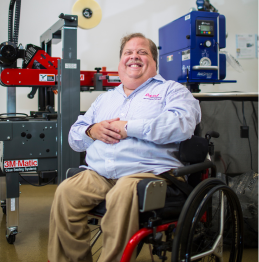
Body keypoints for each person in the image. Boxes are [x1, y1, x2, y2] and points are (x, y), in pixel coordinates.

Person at [48, 33, 201, 262]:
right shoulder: (104, 99)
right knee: (66, 192)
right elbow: (73, 138)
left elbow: (181, 126)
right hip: (101, 173)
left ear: (154, 61)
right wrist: (92, 131)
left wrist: (128, 128)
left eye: (142, 52)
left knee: (123, 192)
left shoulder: (172, 90)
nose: (134, 57)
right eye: (128, 53)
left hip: (149, 174)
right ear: (120, 62)